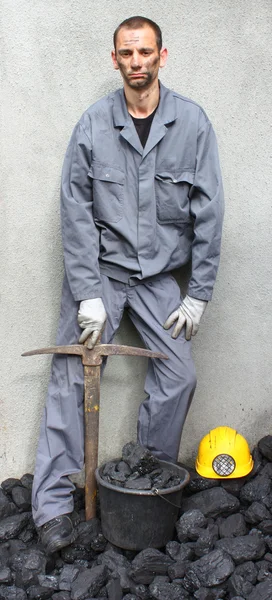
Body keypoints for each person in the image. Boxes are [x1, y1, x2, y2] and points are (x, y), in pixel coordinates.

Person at [32, 15, 224, 553]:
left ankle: (148, 481)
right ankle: (51, 507)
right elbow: (74, 210)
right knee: (71, 378)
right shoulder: (94, 124)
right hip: (102, 274)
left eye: (145, 52)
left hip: (160, 279)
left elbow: (210, 214)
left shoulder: (192, 124)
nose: (136, 62)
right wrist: (86, 289)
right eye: (126, 53)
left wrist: (199, 292)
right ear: (113, 59)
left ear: (163, 56)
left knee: (179, 375)